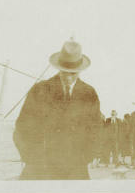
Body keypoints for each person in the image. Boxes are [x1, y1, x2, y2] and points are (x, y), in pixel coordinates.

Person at [13, 38, 103, 180]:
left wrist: (86, 157)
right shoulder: (40, 90)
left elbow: (96, 129)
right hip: (42, 168)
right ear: (59, 68)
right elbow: (22, 127)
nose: (68, 78)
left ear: (80, 70)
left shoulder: (89, 93)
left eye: (72, 73)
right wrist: (31, 158)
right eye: (65, 72)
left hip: (75, 169)